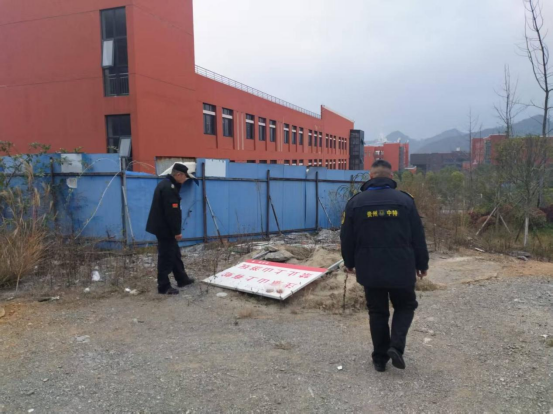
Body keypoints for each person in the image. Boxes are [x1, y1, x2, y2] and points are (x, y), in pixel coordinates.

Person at [340, 160, 429, 372]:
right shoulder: (405, 201)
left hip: (370, 268)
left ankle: (380, 359)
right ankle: (395, 347)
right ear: (391, 177)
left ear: (371, 177)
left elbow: (346, 237)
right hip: (402, 267)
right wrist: (422, 263)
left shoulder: (355, 202)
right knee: (405, 305)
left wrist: (349, 262)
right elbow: (418, 235)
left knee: (377, 312)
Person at [146, 163, 196, 295]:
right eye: (185, 176)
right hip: (165, 229)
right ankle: (163, 286)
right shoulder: (169, 188)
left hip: (163, 226)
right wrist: (177, 232)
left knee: (174, 254)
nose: (185, 179)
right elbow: (172, 213)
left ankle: (182, 278)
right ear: (178, 174)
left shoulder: (166, 184)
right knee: (166, 256)